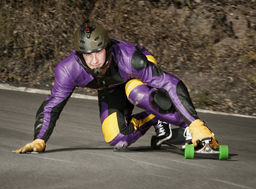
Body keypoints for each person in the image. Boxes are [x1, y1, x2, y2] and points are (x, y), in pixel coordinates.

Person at [13, 22, 219, 153]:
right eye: (87, 54)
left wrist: (196, 124)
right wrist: (39, 139)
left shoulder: (130, 58)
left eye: (98, 52)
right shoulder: (68, 70)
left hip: (136, 76)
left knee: (136, 91)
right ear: (79, 55)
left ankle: (188, 129)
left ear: (108, 49)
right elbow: (53, 105)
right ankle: (156, 119)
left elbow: (170, 83)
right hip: (111, 87)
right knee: (117, 138)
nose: (94, 60)